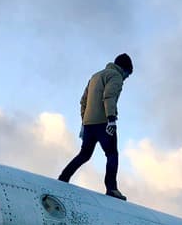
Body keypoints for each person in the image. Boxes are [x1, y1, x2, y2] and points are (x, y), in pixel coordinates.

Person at [57, 53, 134, 200]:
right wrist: (111, 119)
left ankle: (63, 177)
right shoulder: (115, 76)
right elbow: (109, 96)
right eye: (128, 74)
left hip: (89, 124)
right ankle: (111, 188)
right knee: (112, 154)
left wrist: (84, 122)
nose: (126, 78)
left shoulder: (95, 76)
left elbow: (83, 101)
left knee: (84, 154)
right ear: (125, 69)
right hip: (105, 123)